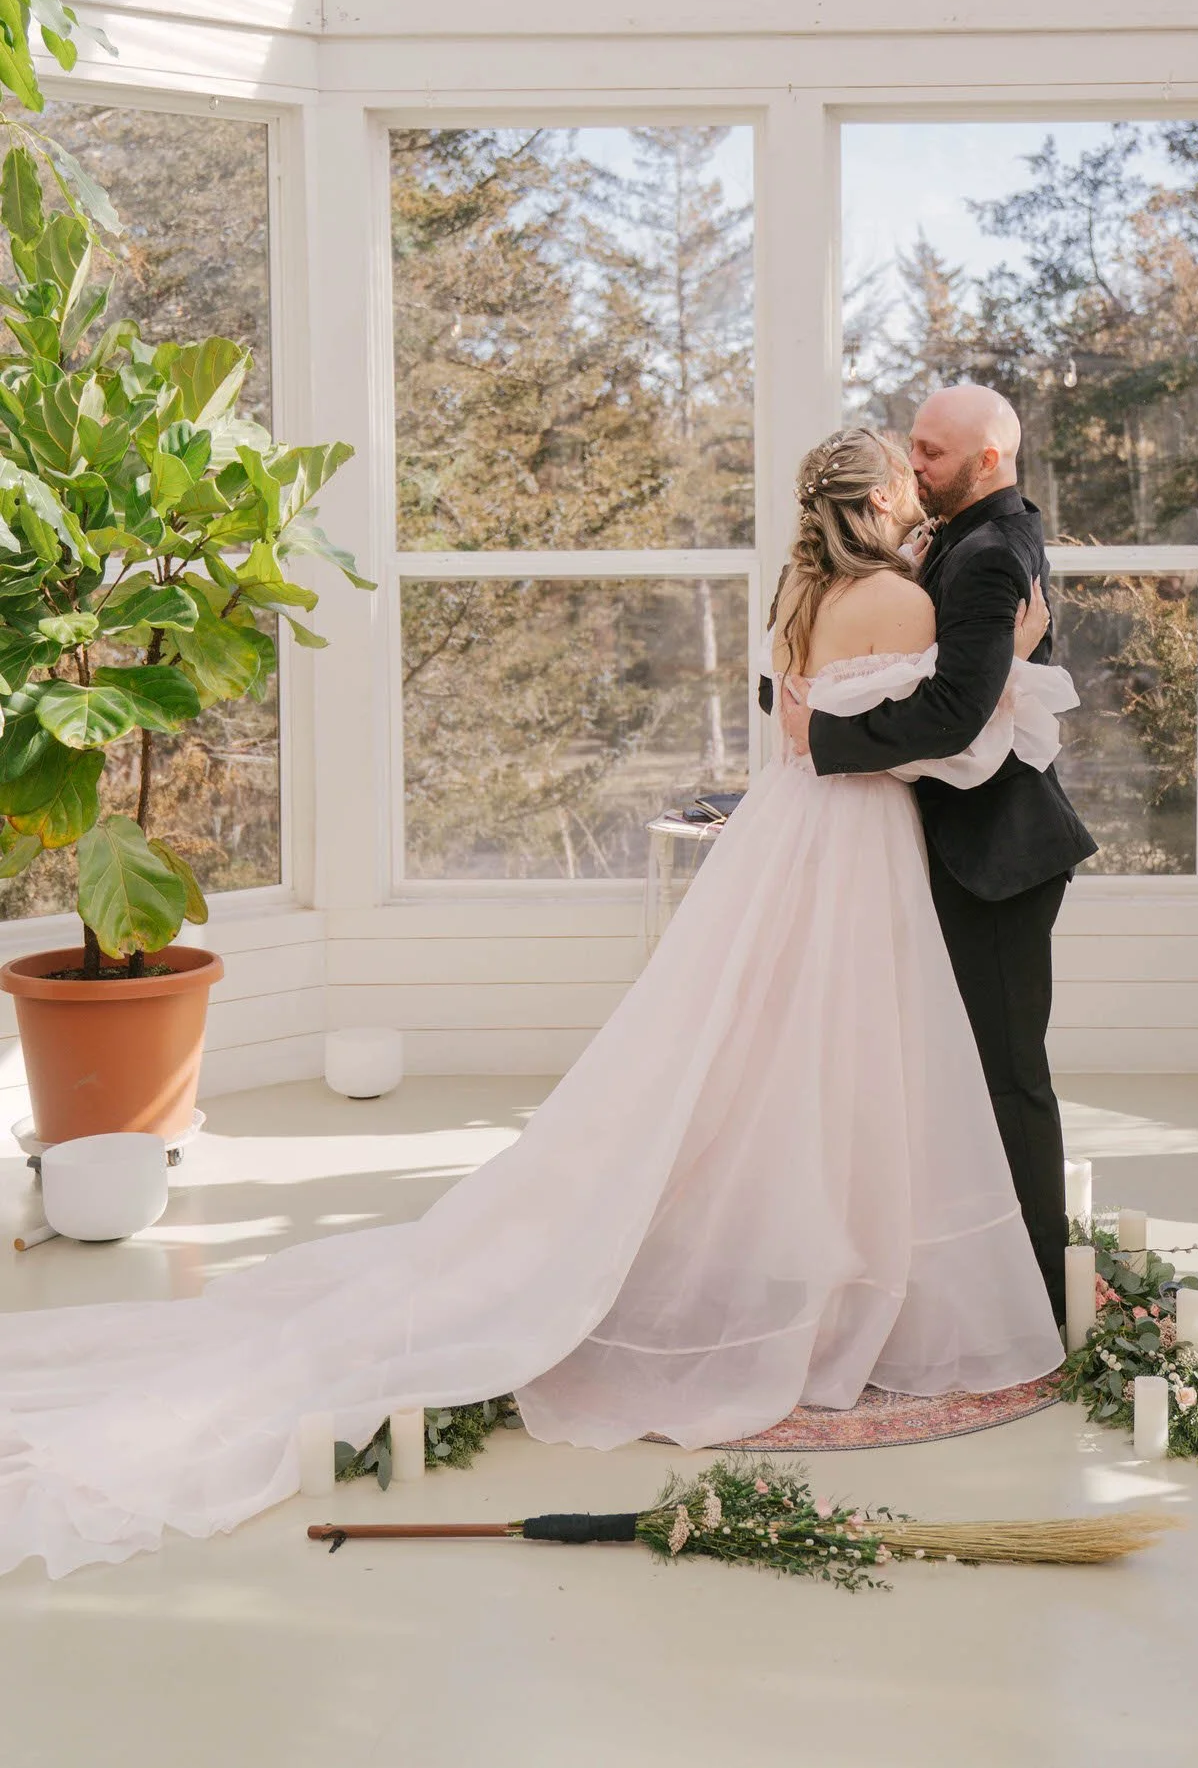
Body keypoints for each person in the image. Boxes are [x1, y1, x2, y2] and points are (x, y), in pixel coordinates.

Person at [0, 428, 1066, 1580]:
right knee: (848, 1059)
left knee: (758, 1056)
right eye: (907, 484)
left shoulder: (799, 598)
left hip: (787, 839)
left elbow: (807, 720)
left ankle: (809, 1249)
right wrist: (1014, 657)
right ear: (882, 503)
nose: (919, 496)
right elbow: (946, 749)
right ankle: (847, 1274)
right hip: (853, 850)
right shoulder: (900, 606)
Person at [780, 388, 1096, 1327]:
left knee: (1008, 1077)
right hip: (938, 848)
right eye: (909, 450)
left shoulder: (993, 553)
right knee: (938, 1075)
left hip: (996, 859)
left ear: (988, 461)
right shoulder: (948, 540)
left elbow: (953, 716)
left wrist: (816, 737)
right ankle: (954, 1260)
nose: (913, 465)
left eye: (931, 450)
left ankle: (1038, 1294)